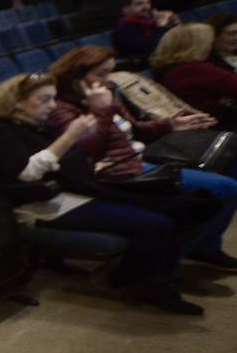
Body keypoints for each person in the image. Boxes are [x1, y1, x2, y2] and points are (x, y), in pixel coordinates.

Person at [0, 72, 213, 314]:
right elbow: (27, 173)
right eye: (44, 99)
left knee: (176, 209)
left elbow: (66, 161)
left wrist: (89, 159)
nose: (52, 105)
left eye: (53, 98)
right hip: (40, 203)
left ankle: (145, 276)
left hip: (72, 191)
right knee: (157, 224)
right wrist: (70, 136)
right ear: (17, 102)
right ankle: (147, 284)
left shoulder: (39, 126)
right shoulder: (0, 133)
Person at [49, 46, 237, 272]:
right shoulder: (62, 108)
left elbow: (134, 130)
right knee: (222, 189)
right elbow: (87, 150)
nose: (107, 79)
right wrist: (101, 109)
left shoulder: (105, 94)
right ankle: (171, 259)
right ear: (75, 76)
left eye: (109, 72)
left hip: (137, 160)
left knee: (226, 177)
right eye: (101, 73)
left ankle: (200, 247)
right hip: (114, 172)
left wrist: (170, 124)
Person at [152, 24, 237, 130]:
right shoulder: (194, 69)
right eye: (209, 43)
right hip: (221, 125)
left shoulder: (166, 69)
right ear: (197, 46)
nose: (211, 46)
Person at [113, 0, 178, 61]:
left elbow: (178, 42)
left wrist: (175, 23)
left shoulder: (151, 22)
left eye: (148, 2)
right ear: (126, 9)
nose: (146, 7)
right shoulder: (122, 29)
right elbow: (151, 48)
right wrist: (161, 26)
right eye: (139, 4)